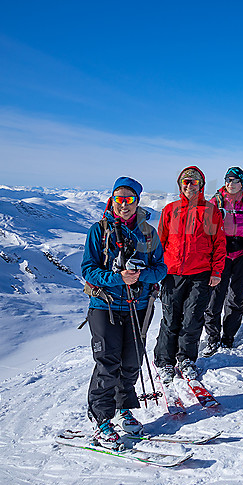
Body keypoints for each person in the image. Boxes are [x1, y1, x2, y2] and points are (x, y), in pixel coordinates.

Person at [81, 177, 167, 448]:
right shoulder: (99, 230)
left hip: (139, 306)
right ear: (112, 200)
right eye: (119, 199)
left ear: (138, 201)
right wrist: (119, 278)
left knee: (131, 362)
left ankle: (124, 409)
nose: (124, 205)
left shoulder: (149, 233)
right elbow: (88, 270)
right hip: (104, 305)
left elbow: (162, 268)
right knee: (107, 362)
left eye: (129, 199)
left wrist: (141, 275)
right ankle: (102, 419)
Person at [154, 166, 225, 382]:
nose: (189, 186)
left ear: (201, 185)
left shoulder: (211, 211)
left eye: (194, 182)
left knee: (193, 319)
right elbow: (160, 242)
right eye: (185, 182)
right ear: (180, 185)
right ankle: (165, 361)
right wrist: (156, 269)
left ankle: (186, 359)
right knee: (170, 319)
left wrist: (217, 271)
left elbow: (219, 244)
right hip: (172, 274)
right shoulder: (170, 210)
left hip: (200, 275)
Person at [201, 166, 243, 355]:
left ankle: (229, 335)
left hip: (242, 255)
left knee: (236, 297)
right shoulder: (216, 202)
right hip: (220, 256)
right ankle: (213, 337)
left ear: (242, 183)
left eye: (234, 180)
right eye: (227, 180)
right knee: (215, 298)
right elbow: (205, 228)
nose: (230, 184)